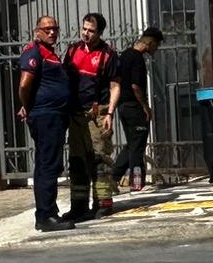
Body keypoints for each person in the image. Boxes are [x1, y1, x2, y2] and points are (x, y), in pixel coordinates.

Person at [16, 16, 75, 231]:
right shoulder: (34, 51)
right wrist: (28, 106)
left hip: (54, 115)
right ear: (37, 31)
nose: (52, 32)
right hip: (46, 116)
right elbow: (24, 85)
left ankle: (47, 213)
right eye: (47, 29)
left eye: (55, 29)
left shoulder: (50, 53)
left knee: (49, 164)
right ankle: (46, 215)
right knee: (48, 166)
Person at [64, 12, 117, 219]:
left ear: (100, 32)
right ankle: (78, 206)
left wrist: (110, 112)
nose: (86, 33)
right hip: (76, 114)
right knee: (77, 160)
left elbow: (115, 85)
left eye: (91, 31)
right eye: (84, 29)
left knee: (99, 159)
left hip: (98, 113)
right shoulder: (72, 51)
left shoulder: (108, 54)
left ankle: (103, 203)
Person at [109, 25, 163, 192]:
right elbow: (135, 86)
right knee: (138, 145)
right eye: (157, 45)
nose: (157, 49)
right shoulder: (137, 59)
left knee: (132, 144)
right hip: (133, 107)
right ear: (150, 42)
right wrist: (145, 107)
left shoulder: (125, 55)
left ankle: (113, 177)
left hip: (123, 106)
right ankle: (137, 183)